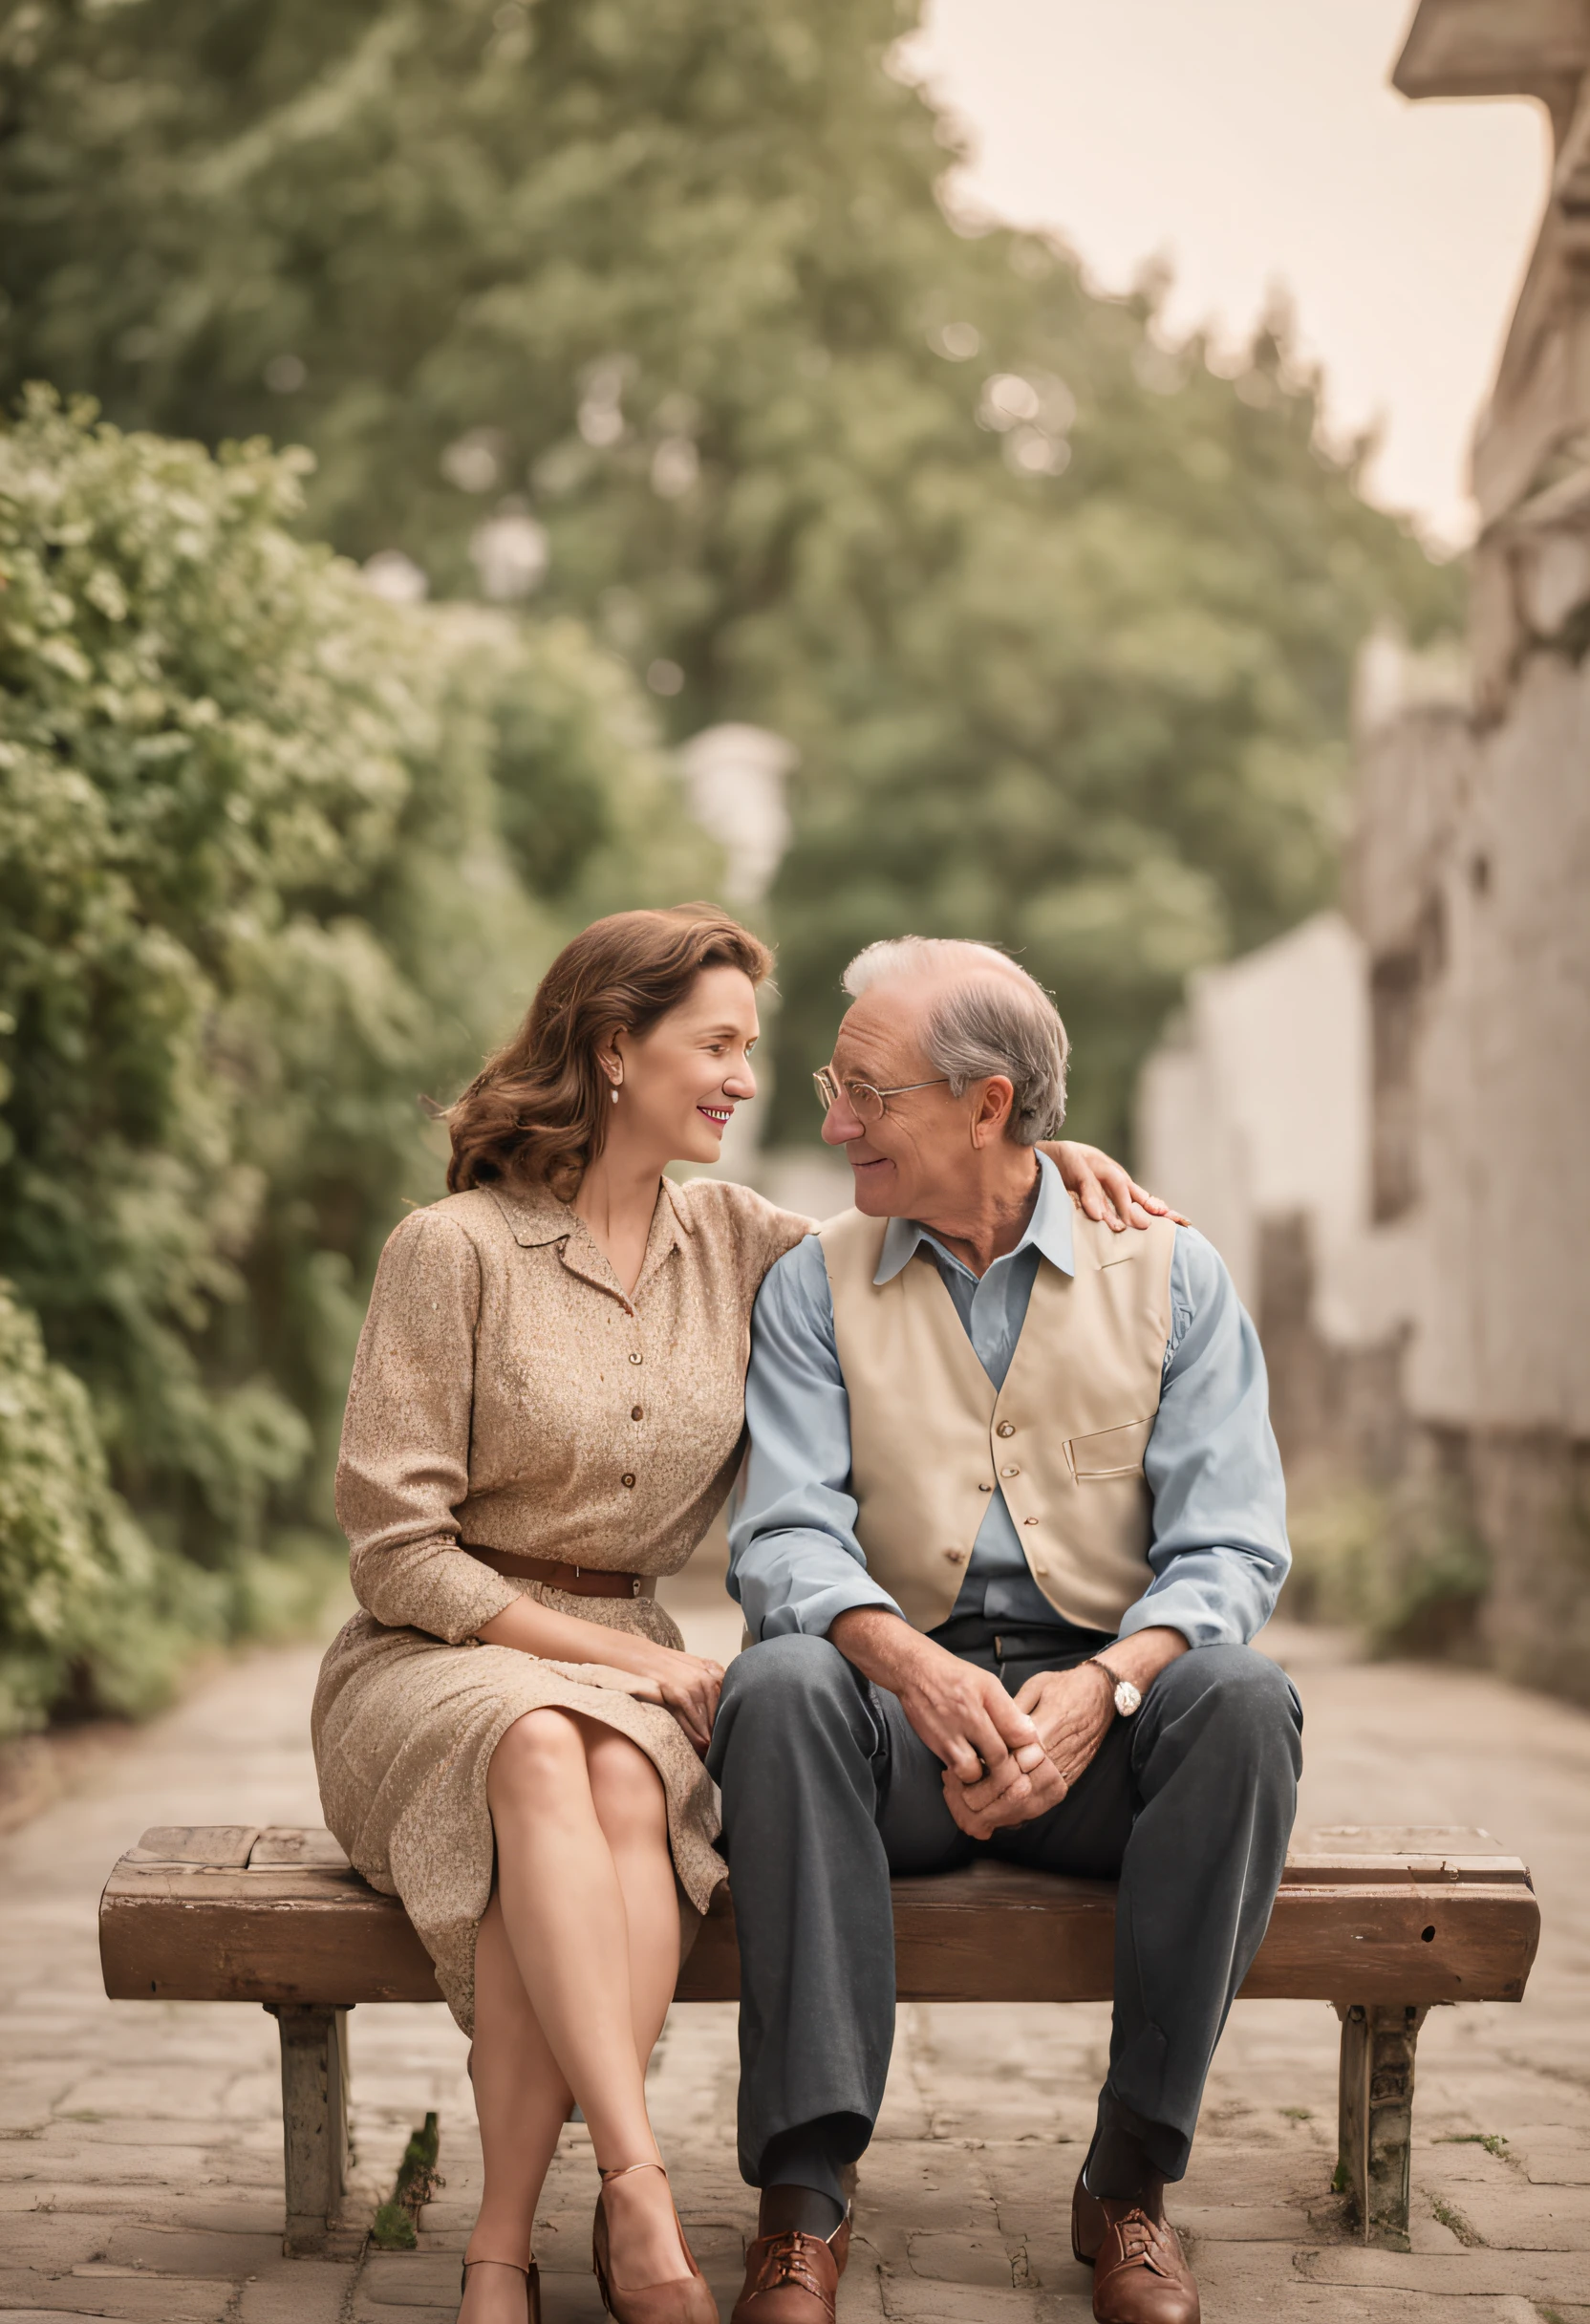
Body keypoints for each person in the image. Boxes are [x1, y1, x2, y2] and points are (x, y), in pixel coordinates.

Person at [311, 905, 1171, 2324]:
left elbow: (950, 1191)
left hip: (637, 1670)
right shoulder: (447, 1248)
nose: (748, 1081)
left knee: (599, 1766)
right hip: (440, 1659)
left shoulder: (753, 1247)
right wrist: (613, 1662)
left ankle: (500, 2256)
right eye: (715, 1046)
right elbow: (397, 1555)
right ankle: (633, 2188)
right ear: (610, 1052)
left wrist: (1050, 1162)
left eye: (750, 1051)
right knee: (545, 1746)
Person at [712, 936, 1301, 2324]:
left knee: (1244, 1701)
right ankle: (802, 2206)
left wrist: (1108, 1685)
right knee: (782, 1683)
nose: (834, 1120)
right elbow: (785, 1535)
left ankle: (1131, 2187)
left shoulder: (1173, 1273)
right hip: (891, 1728)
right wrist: (905, 1664)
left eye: (868, 1092)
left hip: (1106, 1733)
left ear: (986, 1105)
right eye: (831, 1085)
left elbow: (1230, 1544)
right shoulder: (813, 1282)